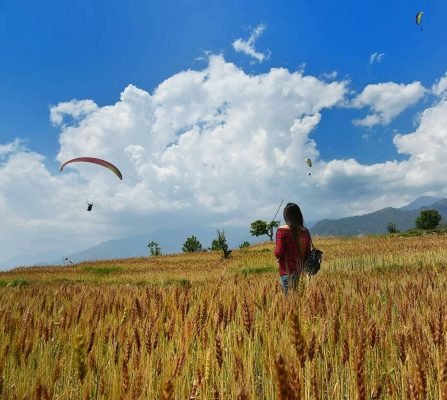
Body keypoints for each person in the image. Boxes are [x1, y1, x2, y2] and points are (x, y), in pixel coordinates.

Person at [274, 202, 311, 294]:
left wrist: (275, 251)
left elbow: (279, 252)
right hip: (301, 272)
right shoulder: (305, 231)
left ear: (286, 216)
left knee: (288, 304)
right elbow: (307, 253)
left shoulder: (282, 230)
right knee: (300, 302)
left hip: (287, 272)